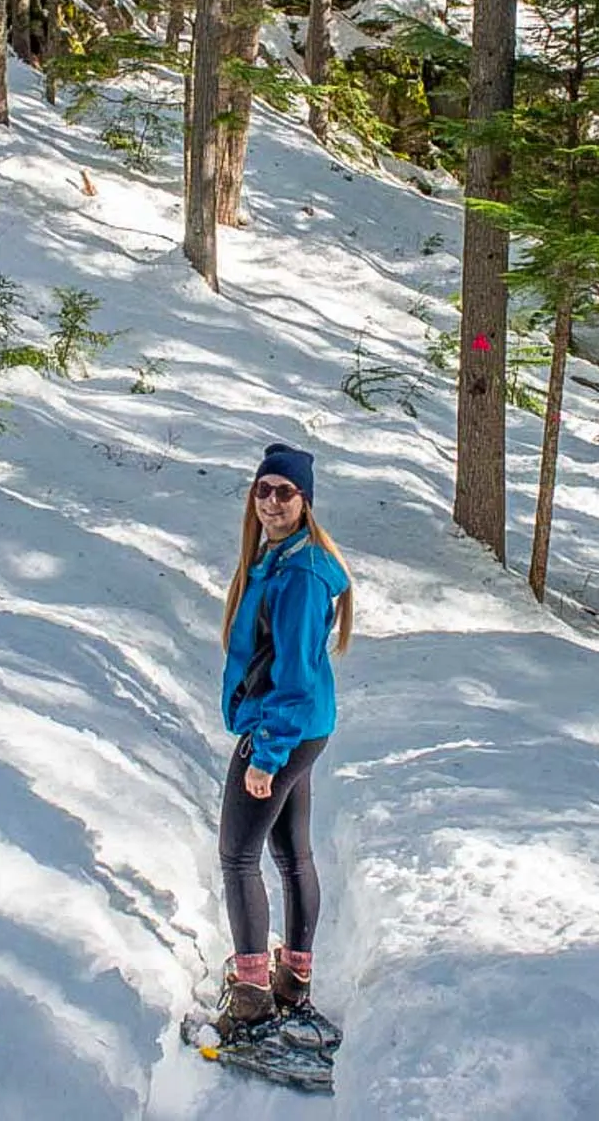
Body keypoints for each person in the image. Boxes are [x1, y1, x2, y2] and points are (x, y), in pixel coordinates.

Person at [216, 442, 353, 1040]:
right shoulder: (283, 558)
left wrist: (265, 755)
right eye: (264, 489)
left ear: (305, 502)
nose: (272, 501)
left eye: (285, 492)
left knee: (238, 855)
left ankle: (251, 997)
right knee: (291, 853)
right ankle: (292, 980)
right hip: (305, 727)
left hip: (283, 727)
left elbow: (294, 674)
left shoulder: (297, 574)